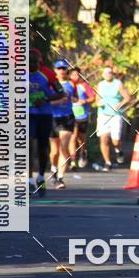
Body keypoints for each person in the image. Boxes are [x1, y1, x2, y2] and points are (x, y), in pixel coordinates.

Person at [29, 49, 64, 195]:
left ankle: (41, 176)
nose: (32, 65)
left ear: (40, 62)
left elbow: (61, 91)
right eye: (29, 62)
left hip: (44, 114)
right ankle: (29, 179)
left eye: (35, 62)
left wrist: (45, 99)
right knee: (27, 144)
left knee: (42, 146)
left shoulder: (47, 73)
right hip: (27, 114)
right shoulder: (16, 73)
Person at [49, 60, 77, 188]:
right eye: (59, 68)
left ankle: (60, 178)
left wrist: (72, 100)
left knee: (63, 148)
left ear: (66, 70)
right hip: (53, 117)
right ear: (55, 70)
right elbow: (45, 102)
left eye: (63, 68)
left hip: (67, 118)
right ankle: (53, 168)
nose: (61, 70)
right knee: (54, 152)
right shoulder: (50, 84)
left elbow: (75, 98)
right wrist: (59, 100)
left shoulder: (72, 84)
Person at [95, 65, 128, 171]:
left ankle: (118, 150)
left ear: (112, 74)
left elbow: (127, 97)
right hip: (103, 115)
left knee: (115, 141)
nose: (107, 75)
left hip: (115, 115)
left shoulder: (118, 83)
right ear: (102, 75)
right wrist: (98, 103)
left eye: (109, 73)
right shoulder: (100, 85)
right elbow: (97, 99)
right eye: (105, 73)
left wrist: (120, 104)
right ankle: (107, 162)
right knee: (103, 138)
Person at [69, 66, 94, 169]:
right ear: (70, 76)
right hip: (71, 115)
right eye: (73, 75)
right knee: (73, 138)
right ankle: (73, 161)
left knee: (81, 139)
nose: (75, 77)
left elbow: (92, 98)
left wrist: (85, 101)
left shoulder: (84, 85)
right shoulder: (68, 85)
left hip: (82, 115)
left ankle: (83, 152)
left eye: (77, 75)